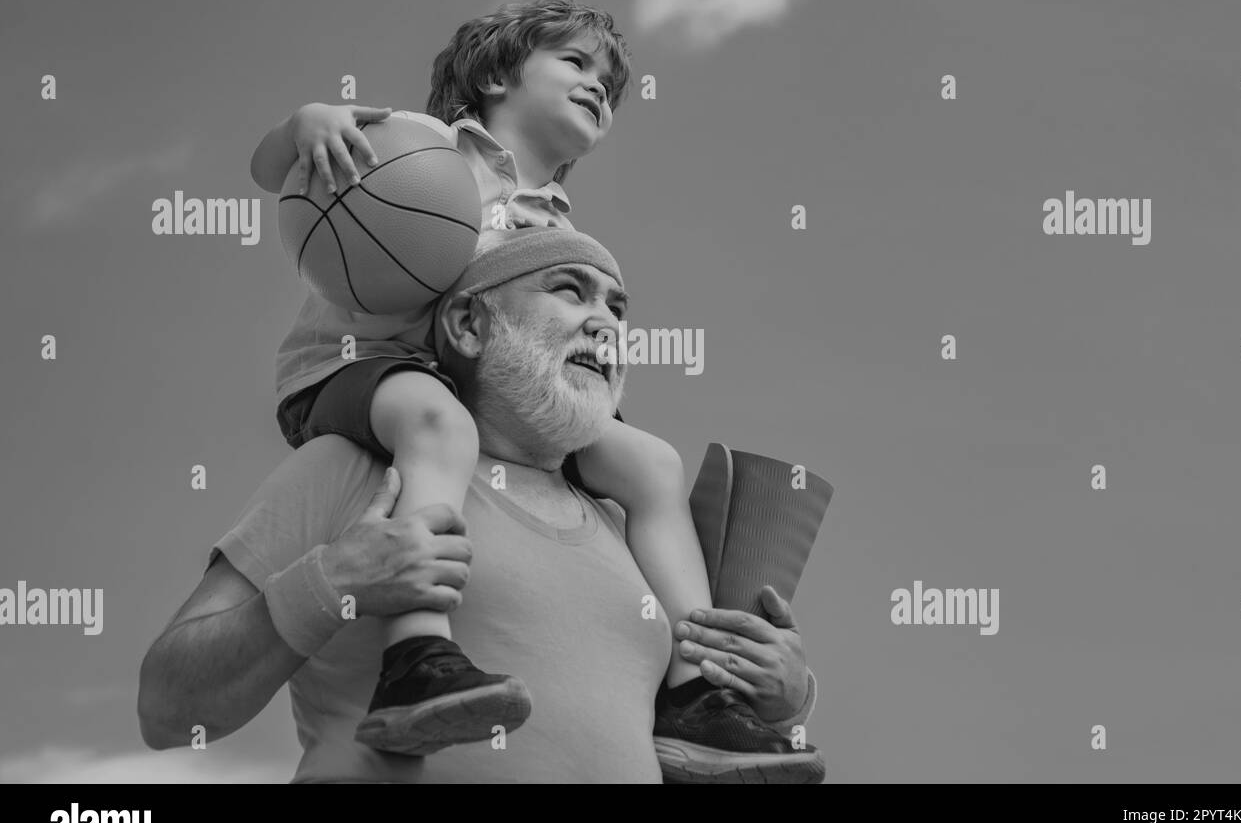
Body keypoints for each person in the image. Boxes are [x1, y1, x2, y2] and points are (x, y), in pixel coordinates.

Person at [248, 0, 756, 766]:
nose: (597, 86)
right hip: (358, 366)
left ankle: (698, 690)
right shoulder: (423, 146)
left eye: (609, 86)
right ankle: (418, 654)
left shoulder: (556, 221)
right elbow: (271, 165)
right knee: (440, 427)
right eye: (575, 63)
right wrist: (309, 121)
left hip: (468, 381)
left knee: (653, 463)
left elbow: (536, 359)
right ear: (494, 75)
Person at [137, 227, 824, 783]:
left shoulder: (634, 532)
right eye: (570, 290)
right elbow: (167, 706)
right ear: (468, 323)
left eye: (619, 307)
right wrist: (334, 582)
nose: (605, 323)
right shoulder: (350, 471)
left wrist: (782, 699)